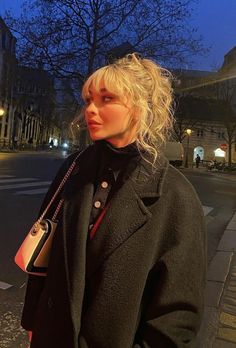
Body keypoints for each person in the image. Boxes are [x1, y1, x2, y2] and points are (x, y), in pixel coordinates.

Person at [21, 53, 206, 348]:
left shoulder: (176, 195)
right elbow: (44, 254)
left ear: (140, 107)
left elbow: (177, 314)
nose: (90, 110)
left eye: (107, 99)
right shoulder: (73, 168)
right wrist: (32, 320)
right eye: (88, 100)